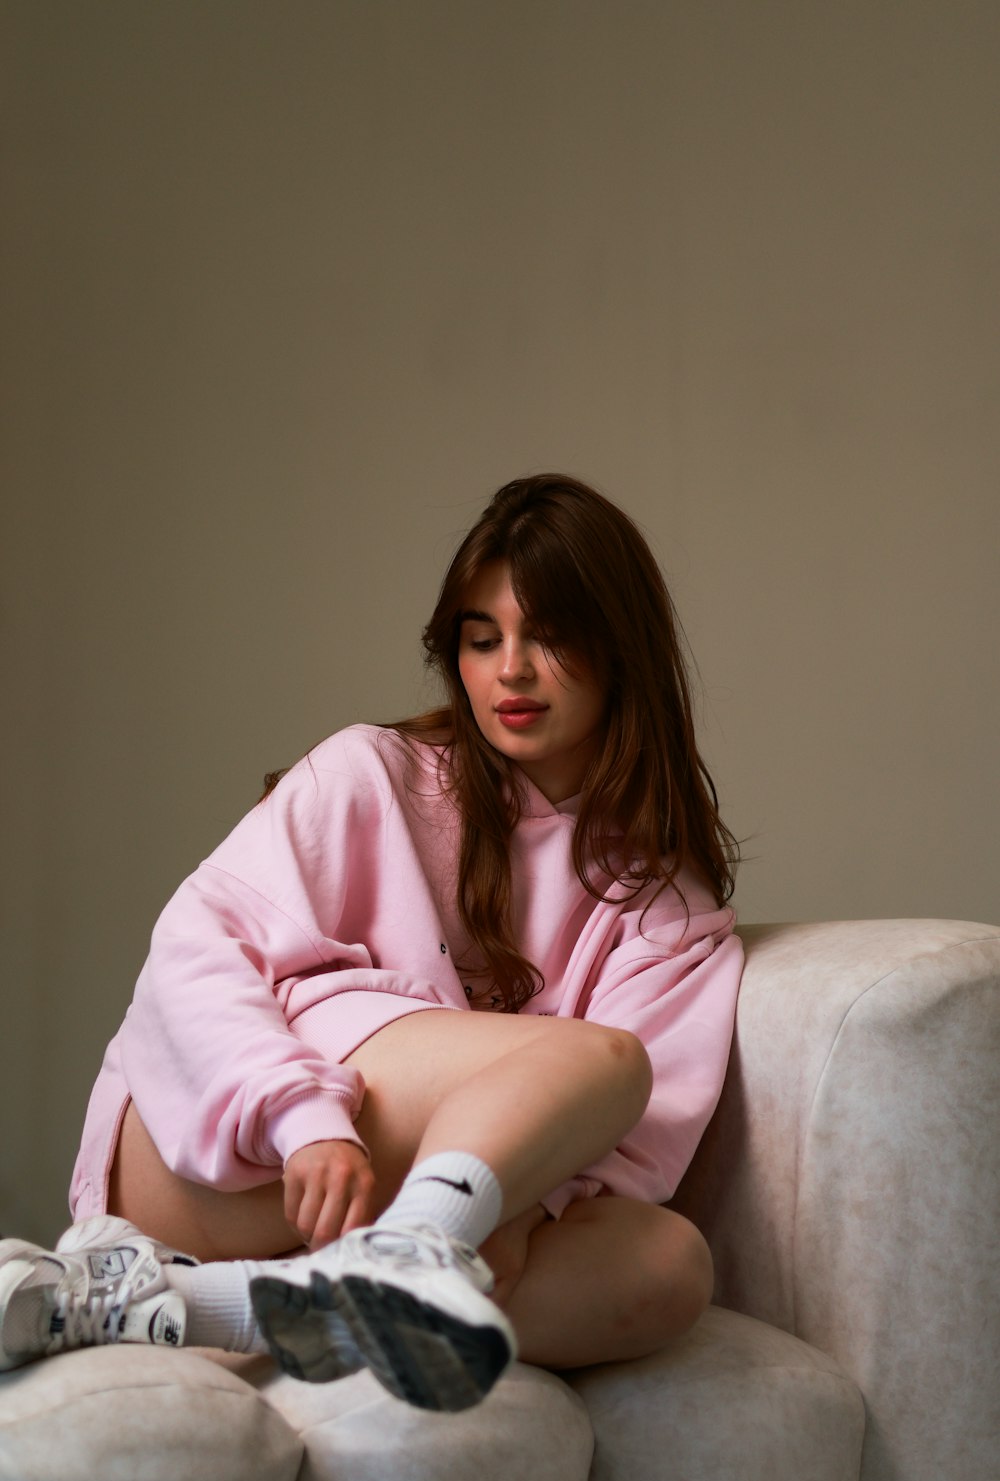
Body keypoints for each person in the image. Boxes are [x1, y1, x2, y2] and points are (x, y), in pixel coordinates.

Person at [0, 473, 743, 1413]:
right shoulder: (372, 777)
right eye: (482, 640)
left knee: (667, 1269)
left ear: (622, 651)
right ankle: (424, 1244)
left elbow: (635, 1148)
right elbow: (192, 956)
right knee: (603, 1061)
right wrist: (298, 1115)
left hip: (403, 1202)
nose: (510, 670)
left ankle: (199, 1304)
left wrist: (517, 1202)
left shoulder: (666, 907)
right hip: (218, 1153)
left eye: (548, 636)